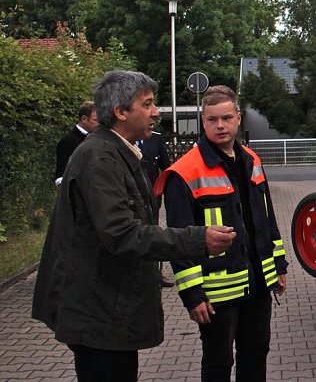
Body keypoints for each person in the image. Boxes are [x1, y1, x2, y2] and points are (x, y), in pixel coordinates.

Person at [32, 70, 237, 382]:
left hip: (105, 311)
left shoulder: (114, 152)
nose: (155, 112)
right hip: (99, 315)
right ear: (121, 111)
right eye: (147, 104)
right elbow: (122, 233)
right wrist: (198, 239)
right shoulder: (100, 159)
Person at [157, 85, 287, 382]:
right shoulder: (184, 172)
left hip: (258, 282)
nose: (220, 125)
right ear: (203, 121)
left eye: (226, 118)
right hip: (216, 293)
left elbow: (267, 219)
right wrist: (192, 295)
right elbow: (178, 240)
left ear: (238, 118)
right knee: (218, 362)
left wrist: (278, 266)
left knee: (256, 353)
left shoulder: (252, 160)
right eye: (212, 119)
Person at [137, 131, 174, 287]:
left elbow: (165, 168)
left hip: (152, 196)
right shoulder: (122, 138)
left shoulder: (156, 139)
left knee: (153, 232)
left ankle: (156, 274)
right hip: (131, 196)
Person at [54, 101, 98, 186]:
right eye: (95, 120)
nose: (99, 124)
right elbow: (60, 177)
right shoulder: (67, 141)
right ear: (84, 119)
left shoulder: (97, 140)